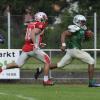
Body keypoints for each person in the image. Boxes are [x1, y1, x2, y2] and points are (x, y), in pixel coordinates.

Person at [34, 14, 100, 87]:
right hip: (75, 50)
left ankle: (41, 69)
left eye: (84, 22)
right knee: (91, 61)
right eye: (82, 21)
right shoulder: (75, 27)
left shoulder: (82, 28)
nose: (83, 23)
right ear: (77, 21)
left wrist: (89, 35)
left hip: (71, 52)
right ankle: (91, 83)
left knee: (59, 65)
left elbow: (85, 36)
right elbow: (64, 33)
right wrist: (63, 44)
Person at [0, 12, 54, 86]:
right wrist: (35, 44)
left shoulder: (31, 24)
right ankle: (46, 81)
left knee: (18, 64)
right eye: (44, 18)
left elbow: (30, 37)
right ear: (40, 18)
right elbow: (32, 33)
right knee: (48, 61)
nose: (45, 19)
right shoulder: (39, 24)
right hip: (32, 48)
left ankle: (2, 68)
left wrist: (38, 43)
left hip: (26, 47)